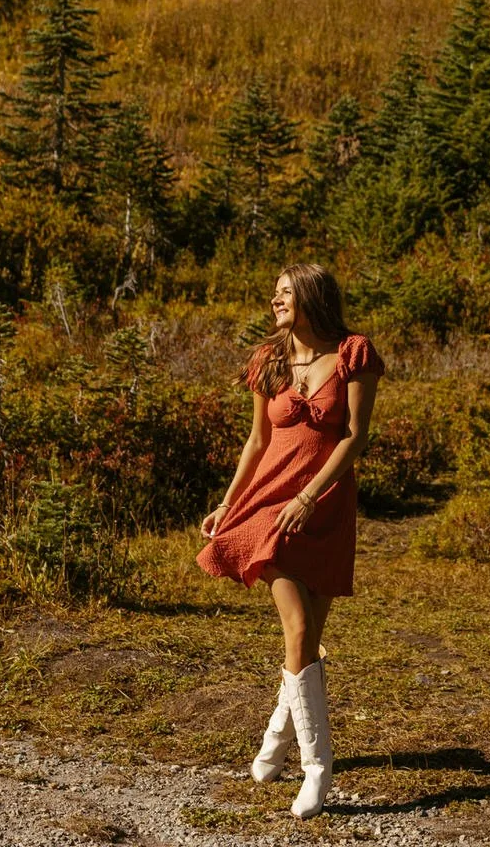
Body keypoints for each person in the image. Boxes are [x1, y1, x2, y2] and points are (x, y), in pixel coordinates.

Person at [196, 262, 384, 820]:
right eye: (274, 293)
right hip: (269, 503)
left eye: (286, 293)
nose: (276, 301)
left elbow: (354, 438)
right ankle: (317, 767)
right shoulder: (270, 359)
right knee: (298, 628)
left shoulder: (354, 352)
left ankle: (274, 744)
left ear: (311, 296)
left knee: (307, 640)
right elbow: (256, 441)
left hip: (325, 506)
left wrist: (310, 498)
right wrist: (229, 502)